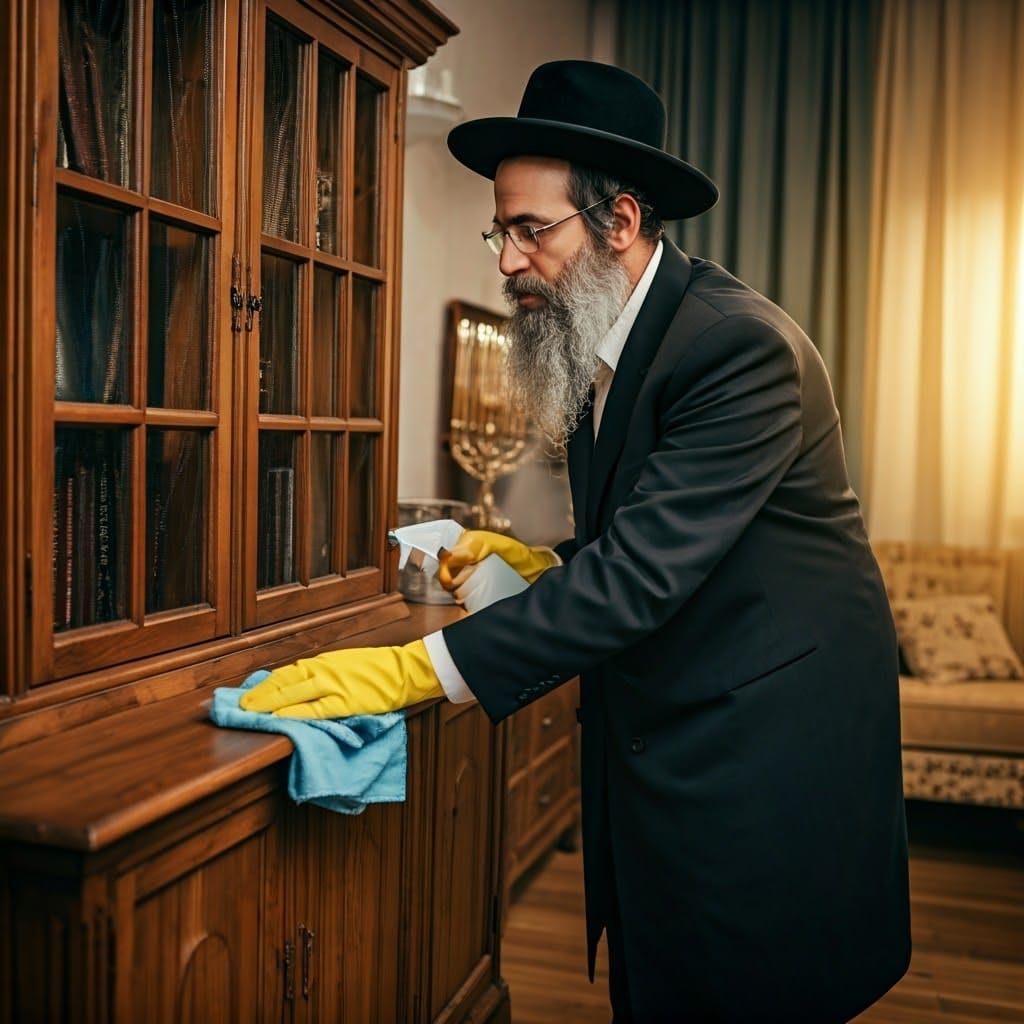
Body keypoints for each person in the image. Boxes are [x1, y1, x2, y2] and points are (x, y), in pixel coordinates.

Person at [242, 60, 912, 1022]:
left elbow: (640, 575)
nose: (506, 258)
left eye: (529, 228)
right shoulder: (610, 340)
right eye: (498, 228)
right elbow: (651, 543)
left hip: (760, 763)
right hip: (678, 741)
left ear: (622, 223)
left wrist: (414, 670)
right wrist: (543, 563)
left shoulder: (737, 347)